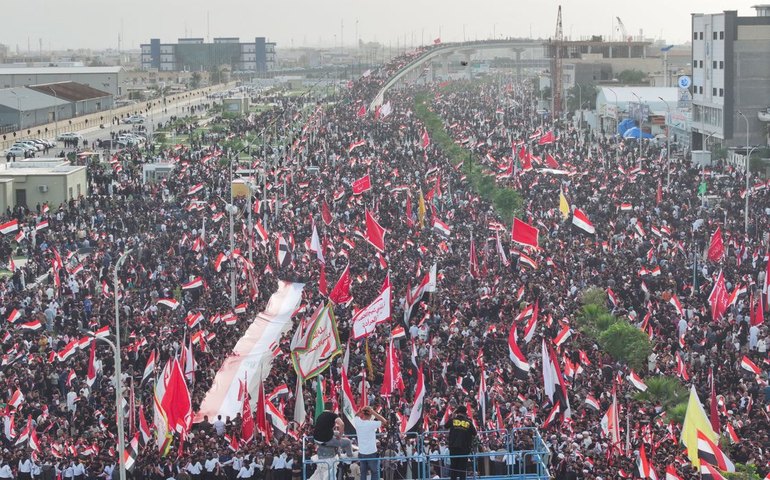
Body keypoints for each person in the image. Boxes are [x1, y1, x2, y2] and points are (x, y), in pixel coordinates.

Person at [353, 405, 388, 480]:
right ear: (370, 415)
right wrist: (373, 412)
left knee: (363, 473)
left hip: (362, 452)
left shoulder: (357, 422)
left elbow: (356, 415)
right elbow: (385, 421)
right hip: (372, 452)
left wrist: (361, 410)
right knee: (375, 472)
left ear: (363, 414)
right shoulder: (372, 424)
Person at [447, 405, 476, 480]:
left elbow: (446, 426)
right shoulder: (468, 422)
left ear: (457, 412)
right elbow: (475, 433)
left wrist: (452, 416)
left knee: (453, 468)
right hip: (464, 448)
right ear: (465, 413)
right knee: (462, 469)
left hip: (453, 447)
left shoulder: (453, 420)